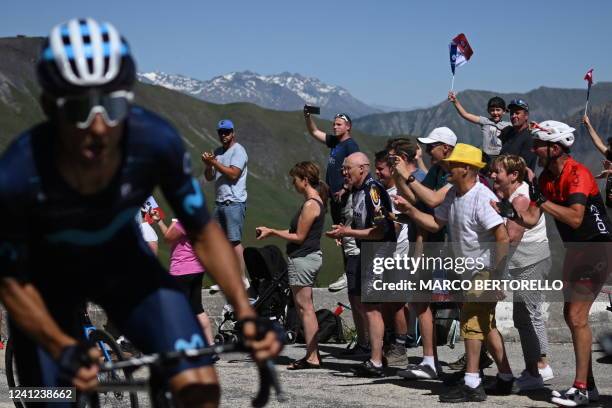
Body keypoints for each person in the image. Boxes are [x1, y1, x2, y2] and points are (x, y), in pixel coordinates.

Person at [0, 18, 281, 408]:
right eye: (80, 108)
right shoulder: (19, 169)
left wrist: (245, 311)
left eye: (113, 105)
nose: (99, 126)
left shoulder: (153, 140)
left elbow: (203, 232)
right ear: (50, 106)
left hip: (123, 264)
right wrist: (59, 346)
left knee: (199, 385)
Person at [498, 120, 611, 406]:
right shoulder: (546, 176)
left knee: (576, 317)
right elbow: (533, 218)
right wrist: (509, 211)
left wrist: (540, 198)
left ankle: (582, 388)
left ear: (556, 148)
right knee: (572, 318)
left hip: (597, 249)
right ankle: (590, 387)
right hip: (575, 251)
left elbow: (574, 217)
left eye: (539, 144)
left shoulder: (577, 174)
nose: (534, 148)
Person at [393, 144, 512, 403]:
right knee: (485, 324)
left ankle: (471, 381)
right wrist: (411, 212)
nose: (447, 168)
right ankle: (505, 376)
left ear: (467, 169)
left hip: (482, 270)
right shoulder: (454, 195)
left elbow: (502, 237)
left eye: (452, 164)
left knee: (471, 321)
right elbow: (436, 223)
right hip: (461, 269)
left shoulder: (482, 197)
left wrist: (495, 276)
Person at [326, 152, 396, 377]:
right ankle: (375, 355)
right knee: (367, 306)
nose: (343, 173)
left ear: (362, 169)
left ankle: (377, 361)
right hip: (366, 251)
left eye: (347, 169)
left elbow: (381, 230)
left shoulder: (373, 191)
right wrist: (344, 230)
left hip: (377, 252)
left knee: (373, 308)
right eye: (343, 169)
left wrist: (348, 232)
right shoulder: (357, 191)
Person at [489, 155, 554, 390]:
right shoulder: (515, 194)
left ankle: (538, 368)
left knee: (528, 314)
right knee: (525, 315)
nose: (493, 175)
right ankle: (537, 367)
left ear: (513, 175)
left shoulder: (520, 199)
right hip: (527, 261)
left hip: (530, 262)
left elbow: (511, 237)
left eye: (498, 172)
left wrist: (497, 277)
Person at [256, 161, 327, 369]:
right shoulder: (316, 201)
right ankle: (313, 353)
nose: (293, 184)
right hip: (309, 257)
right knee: (307, 307)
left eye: (295, 180)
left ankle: (312, 356)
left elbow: (299, 236)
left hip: (303, 259)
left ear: (304, 180)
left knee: (305, 308)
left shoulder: (310, 204)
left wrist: (272, 231)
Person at [304, 107, 360, 292]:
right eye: (333, 124)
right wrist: (307, 116)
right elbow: (314, 132)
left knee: (349, 235)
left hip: (346, 197)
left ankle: (351, 274)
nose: (335, 127)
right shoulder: (336, 142)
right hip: (335, 198)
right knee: (342, 236)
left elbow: (357, 168)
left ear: (348, 127)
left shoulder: (350, 146)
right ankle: (349, 272)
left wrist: (345, 188)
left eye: (338, 124)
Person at [151, 212, 215, 346]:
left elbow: (168, 238)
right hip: (197, 268)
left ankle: (183, 346)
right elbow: (172, 237)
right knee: (197, 308)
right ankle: (210, 345)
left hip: (182, 270)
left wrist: (174, 220)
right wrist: (160, 221)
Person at [202, 119, 249, 291]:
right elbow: (209, 177)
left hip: (234, 202)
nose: (224, 135)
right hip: (220, 201)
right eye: (221, 132)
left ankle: (242, 278)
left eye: (227, 132)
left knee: (234, 240)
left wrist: (214, 162)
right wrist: (208, 165)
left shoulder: (239, 151)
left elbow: (233, 174)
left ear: (233, 133)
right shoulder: (218, 152)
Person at [448, 92, 511, 162]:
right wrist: (455, 101)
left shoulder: (508, 125)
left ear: (504, 111)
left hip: (501, 158)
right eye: (492, 110)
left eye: (498, 110)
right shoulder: (485, 121)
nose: (495, 112)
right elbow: (465, 114)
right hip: (486, 157)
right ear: (488, 111)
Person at [499, 99, 537, 172]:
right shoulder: (508, 132)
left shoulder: (530, 138)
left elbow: (523, 166)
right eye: (512, 113)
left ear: (526, 116)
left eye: (517, 113)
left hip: (519, 181)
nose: (513, 116)